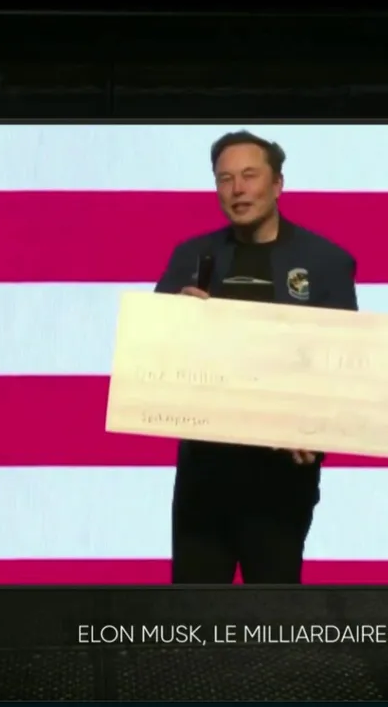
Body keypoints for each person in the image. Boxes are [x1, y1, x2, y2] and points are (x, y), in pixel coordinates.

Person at [153, 130, 359, 584]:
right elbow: (151, 355)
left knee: (274, 611)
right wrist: (173, 321)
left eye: (249, 175)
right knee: (193, 612)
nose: (237, 189)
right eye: (225, 179)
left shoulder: (326, 262)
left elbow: (343, 363)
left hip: (280, 478)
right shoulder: (190, 256)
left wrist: (315, 425)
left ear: (278, 184)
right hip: (205, 474)